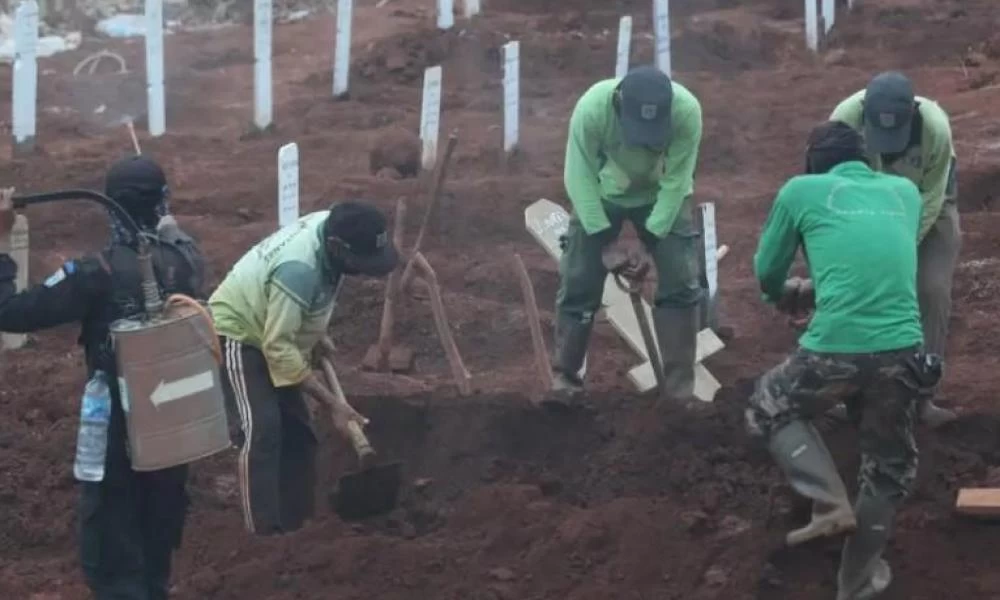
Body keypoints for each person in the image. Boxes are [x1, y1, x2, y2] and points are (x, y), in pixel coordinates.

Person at [0, 155, 206, 600]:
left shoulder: (97, 273)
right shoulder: (188, 259)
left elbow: (9, 313)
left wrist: (1, 244)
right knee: (157, 533)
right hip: (175, 418)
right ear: (162, 202)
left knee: (112, 540)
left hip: (117, 423)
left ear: (111, 207)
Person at [747, 121, 936, 600]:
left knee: (770, 401)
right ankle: (856, 583)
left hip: (835, 347)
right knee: (888, 468)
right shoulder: (905, 193)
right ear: (866, 160)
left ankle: (829, 501)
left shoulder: (800, 190)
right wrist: (823, 288)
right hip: (903, 349)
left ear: (814, 164)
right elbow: (874, 257)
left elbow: (767, 270)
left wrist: (783, 293)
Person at [209, 200, 398, 536]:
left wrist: (313, 331)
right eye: (360, 262)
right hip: (239, 331)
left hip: (275, 325)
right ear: (337, 247)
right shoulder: (299, 270)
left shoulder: (332, 226)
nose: (363, 270)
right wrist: (333, 404)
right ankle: (263, 536)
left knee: (300, 433)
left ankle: (299, 530)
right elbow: (278, 347)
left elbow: (307, 299)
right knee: (263, 428)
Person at [551, 64, 704, 407]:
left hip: (661, 195)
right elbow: (579, 177)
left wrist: (652, 241)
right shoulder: (592, 109)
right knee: (578, 280)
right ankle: (565, 383)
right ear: (619, 105)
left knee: (681, 281)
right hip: (602, 194)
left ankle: (680, 394)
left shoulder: (686, 112)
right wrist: (604, 240)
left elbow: (677, 181)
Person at [827, 71, 959, 428]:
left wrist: (898, 250)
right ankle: (850, 392)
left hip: (928, 205)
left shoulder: (935, 128)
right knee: (854, 288)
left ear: (912, 114)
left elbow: (931, 199)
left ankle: (922, 398)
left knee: (932, 291)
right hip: (863, 208)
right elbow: (833, 192)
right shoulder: (844, 121)